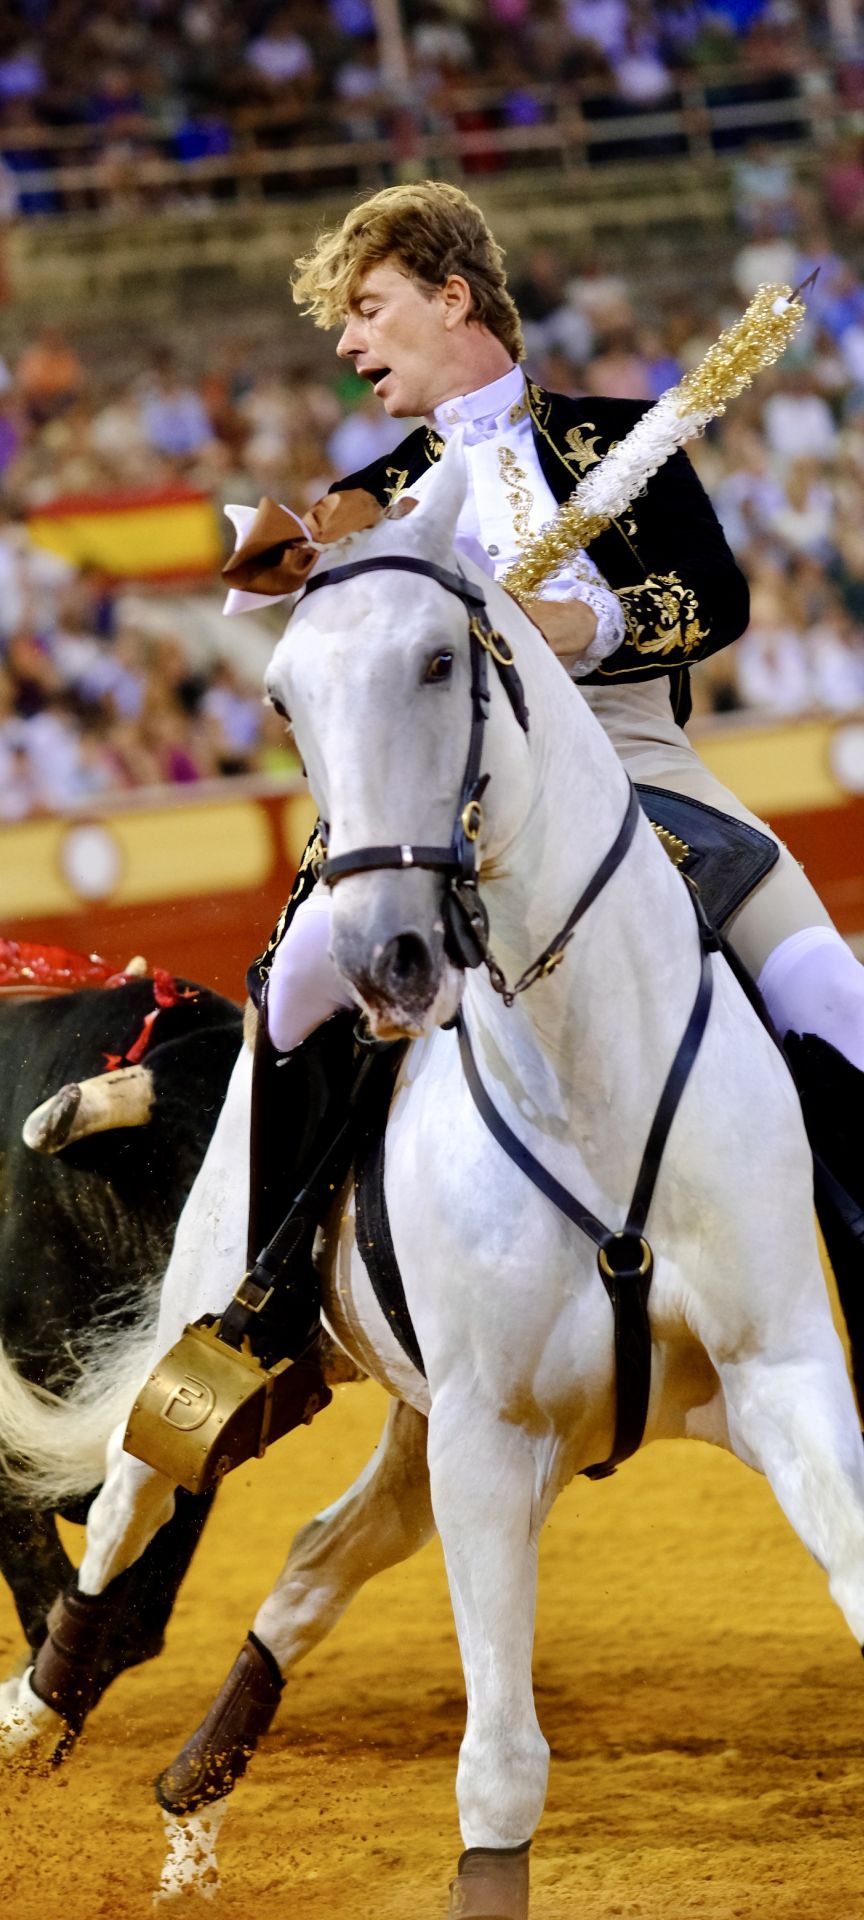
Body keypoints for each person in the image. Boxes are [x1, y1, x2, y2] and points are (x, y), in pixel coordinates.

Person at [230, 179, 864, 1362]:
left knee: (832, 997)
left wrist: (587, 627)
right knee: (294, 989)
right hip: (437, 797)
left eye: (367, 309)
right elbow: (283, 599)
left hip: (635, 759)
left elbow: (713, 600)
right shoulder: (370, 496)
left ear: (451, 296)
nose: (349, 342)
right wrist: (305, 548)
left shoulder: (624, 438)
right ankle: (258, 1306)